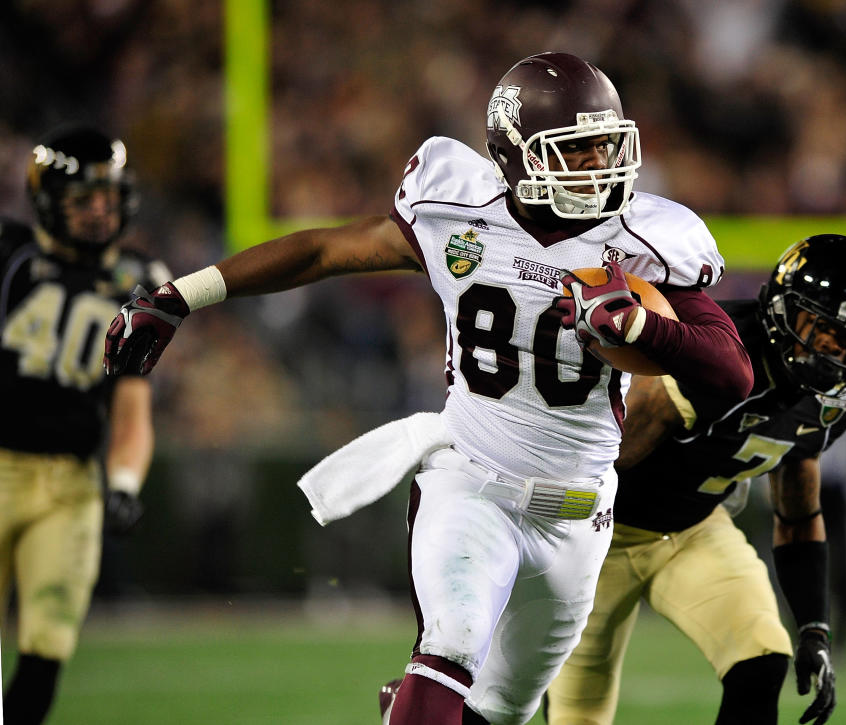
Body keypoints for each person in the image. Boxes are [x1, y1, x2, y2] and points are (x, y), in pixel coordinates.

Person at [102, 52, 754, 725]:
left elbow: (732, 370)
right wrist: (181, 295)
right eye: (577, 150)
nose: (599, 166)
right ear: (515, 156)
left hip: (580, 515)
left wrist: (645, 326)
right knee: (449, 645)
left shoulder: (646, 240)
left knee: (500, 710)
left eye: (606, 146)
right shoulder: (456, 208)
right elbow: (327, 250)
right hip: (472, 482)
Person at [544, 234, 846, 725]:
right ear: (782, 309)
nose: (831, 353)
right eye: (819, 329)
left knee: (762, 660)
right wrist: (540, 540)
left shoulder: (833, 402)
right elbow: (605, 459)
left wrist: (814, 627)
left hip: (693, 532)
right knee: (576, 715)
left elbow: (798, 515)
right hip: (600, 538)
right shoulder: (719, 351)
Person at [1, 125, 170, 724]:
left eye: (108, 197)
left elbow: (131, 406)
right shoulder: (11, 255)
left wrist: (123, 484)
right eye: (83, 200)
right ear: (48, 201)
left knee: (47, 647)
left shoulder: (137, 279)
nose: (100, 212)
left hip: (69, 487)